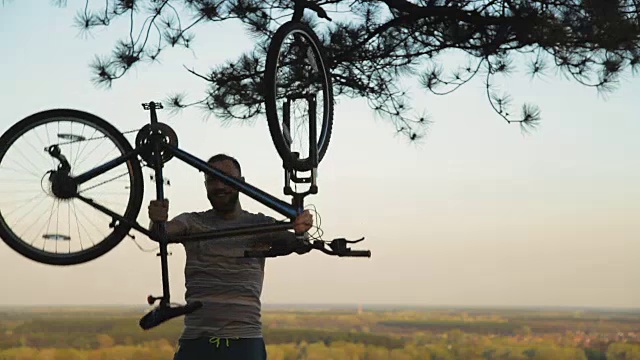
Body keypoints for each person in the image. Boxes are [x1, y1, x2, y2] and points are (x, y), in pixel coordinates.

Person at [148, 153, 313, 360]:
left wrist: (301, 231)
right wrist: (156, 221)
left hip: (244, 343)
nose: (219, 186)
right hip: (197, 341)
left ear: (241, 183)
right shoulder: (192, 222)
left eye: (225, 178)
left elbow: (297, 244)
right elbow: (160, 233)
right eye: (211, 180)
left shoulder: (258, 224)